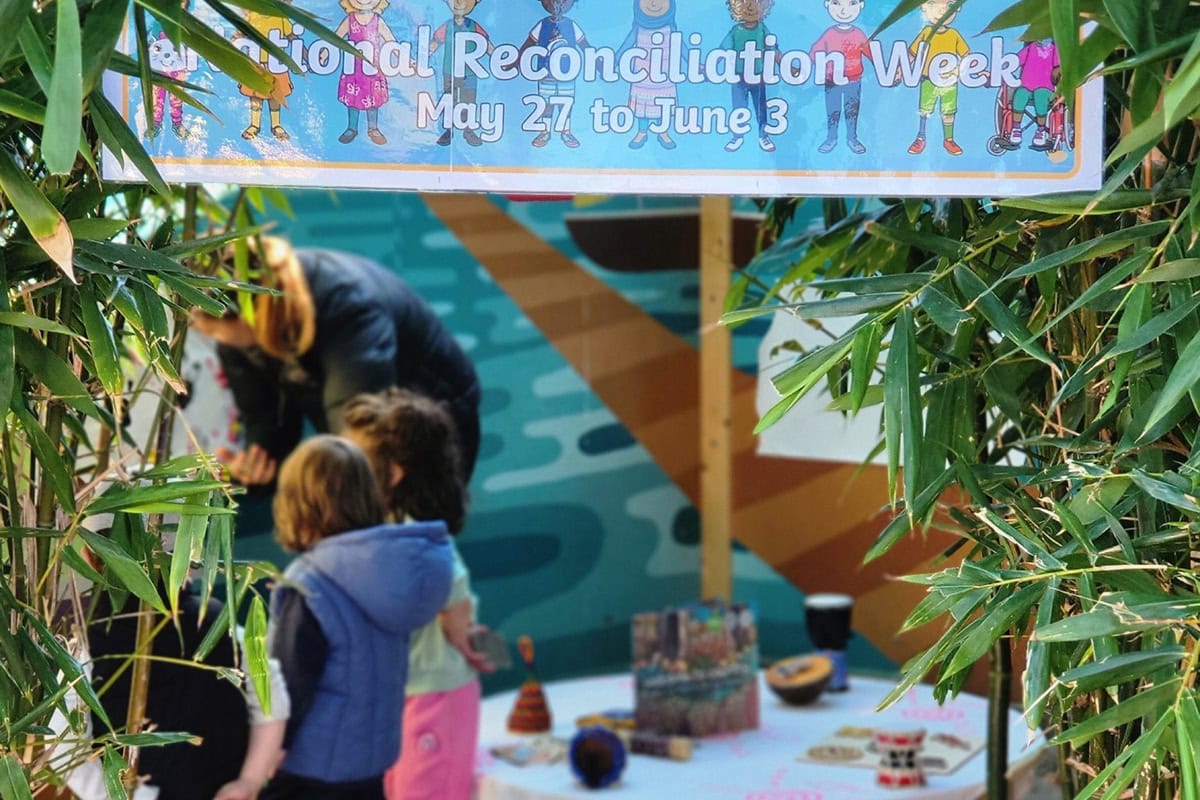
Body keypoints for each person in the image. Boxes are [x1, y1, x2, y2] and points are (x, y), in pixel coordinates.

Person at [190, 237, 482, 488]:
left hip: (434, 427)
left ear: (245, 317)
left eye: (211, 328)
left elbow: (357, 432)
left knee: (409, 525)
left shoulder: (347, 305)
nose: (209, 335)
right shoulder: (246, 331)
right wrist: (256, 465)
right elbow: (267, 420)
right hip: (368, 432)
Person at [264, 435, 454, 800]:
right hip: (369, 770)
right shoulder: (390, 573)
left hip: (309, 772)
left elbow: (288, 686)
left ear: (297, 503)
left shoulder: (308, 583)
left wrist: (267, 752)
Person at [342, 390, 493, 800]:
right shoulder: (385, 526)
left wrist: (459, 628)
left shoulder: (411, 531)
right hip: (403, 695)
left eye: (356, 463)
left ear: (393, 472)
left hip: (432, 696)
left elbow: (454, 580)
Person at [50, 551, 289, 800]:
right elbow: (271, 696)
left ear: (89, 557)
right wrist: (249, 780)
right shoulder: (220, 623)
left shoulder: (85, 647)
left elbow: (62, 745)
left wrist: (132, 796)